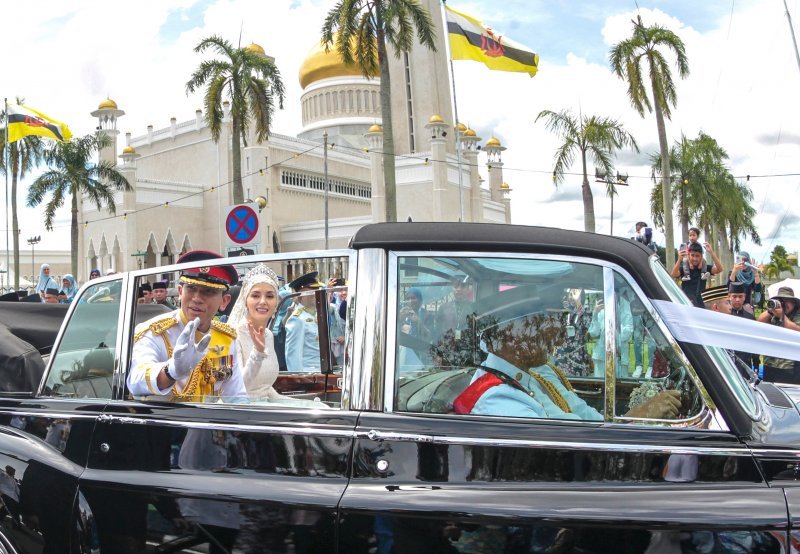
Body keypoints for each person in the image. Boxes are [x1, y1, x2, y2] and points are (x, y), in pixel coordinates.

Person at [128, 250, 246, 402]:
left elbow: (236, 396)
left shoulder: (226, 339)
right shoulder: (155, 332)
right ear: (180, 292)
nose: (197, 298)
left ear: (224, 301)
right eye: (191, 288)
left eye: (208, 291)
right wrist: (171, 372)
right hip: (164, 422)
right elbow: (136, 380)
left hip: (210, 422)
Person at [452, 345, 681, 420]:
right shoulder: (497, 396)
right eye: (542, 325)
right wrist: (635, 418)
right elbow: (570, 441)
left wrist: (628, 420)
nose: (557, 337)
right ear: (512, 337)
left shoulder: (527, 374)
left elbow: (579, 413)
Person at [227, 263, 283, 400]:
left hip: (265, 408)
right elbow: (239, 387)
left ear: (276, 302)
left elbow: (265, 388)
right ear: (245, 300)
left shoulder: (268, 334)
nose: (263, 301)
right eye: (256, 296)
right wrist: (257, 353)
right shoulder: (233, 334)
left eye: (270, 296)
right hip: (244, 410)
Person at [758, 287, 800, 384]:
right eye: (781, 301)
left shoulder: (798, 314)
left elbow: (797, 331)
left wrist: (782, 316)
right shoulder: (773, 313)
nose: (784, 304)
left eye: (787, 301)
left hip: (790, 367)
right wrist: (770, 310)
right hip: (770, 365)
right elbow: (759, 323)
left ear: (794, 303)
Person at [284, 271, 324, 372]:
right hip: (309, 375)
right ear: (301, 294)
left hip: (321, 372)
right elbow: (293, 356)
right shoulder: (297, 319)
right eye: (312, 291)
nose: (317, 293)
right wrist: (299, 380)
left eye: (317, 290)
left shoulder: (316, 314)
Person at [670, 242, 723, 308]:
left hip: (700, 305)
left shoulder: (705, 268)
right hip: (686, 303)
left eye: (697, 256)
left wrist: (711, 252)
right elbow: (673, 275)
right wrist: (679, 259)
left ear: (701, 256)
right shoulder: (684, 268)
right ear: (689, 255)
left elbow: (719, 269)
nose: (695, 258)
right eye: (692, 255)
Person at [728, 282, 758, 370]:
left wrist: (756, 363)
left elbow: (754, 342)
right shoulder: (725, 316)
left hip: (745, 363)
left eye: (740, 297)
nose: (737, 300)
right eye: (734, 296)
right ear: (729, 296)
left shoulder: (750, 318)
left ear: (744, 297)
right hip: (728, 362)